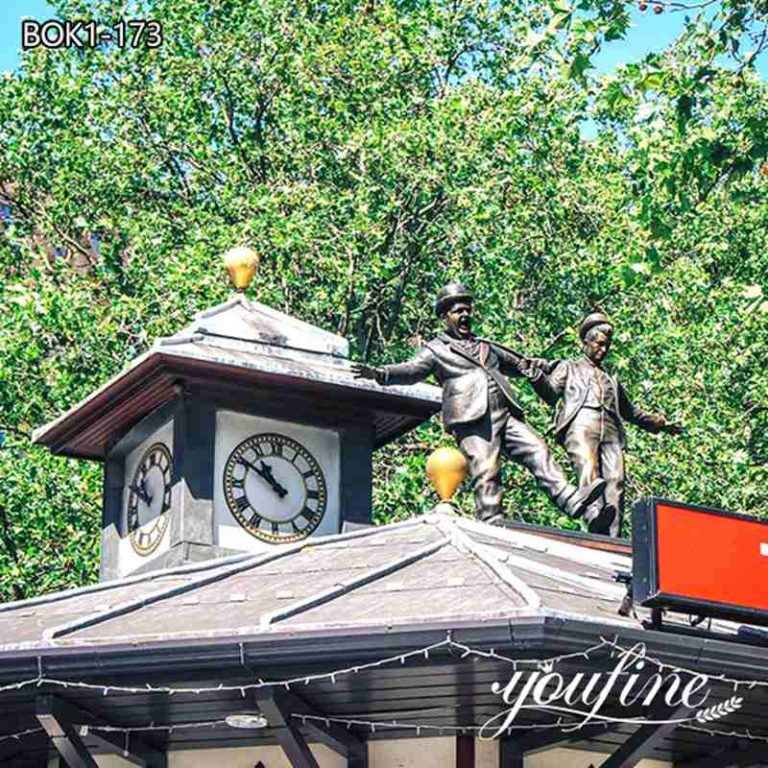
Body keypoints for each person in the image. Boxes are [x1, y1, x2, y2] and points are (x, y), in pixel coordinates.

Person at [352, 283, 605, 523]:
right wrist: (381, 374)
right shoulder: (436, 350)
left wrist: (542, 368)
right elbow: (411, 370)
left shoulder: (486, 346)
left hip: (505, 413)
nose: (464, 315)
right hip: (471, 417)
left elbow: (520, 363)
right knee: (486, 469)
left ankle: (570, 499)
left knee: (537, 450)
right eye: (457, 311)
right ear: (444, 317)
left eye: (467, 310)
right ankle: (491, 519)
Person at [532, 312, 683, 536]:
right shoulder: (568, 368)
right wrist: (535, 376)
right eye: (599, 345)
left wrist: (660, 424)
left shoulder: (611, 378)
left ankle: (613, 536)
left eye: (607, 346)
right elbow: (550, 393)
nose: (603, 351)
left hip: (611, 430)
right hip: (582, 425)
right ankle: (593, 518)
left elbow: (631, 412)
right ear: (586, 342)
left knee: (616, 481)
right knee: (588, 470)